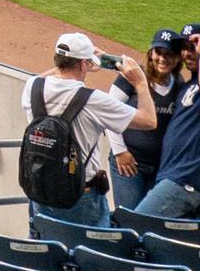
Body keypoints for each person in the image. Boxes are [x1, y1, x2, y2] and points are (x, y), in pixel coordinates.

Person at [25, 33, 156, 227]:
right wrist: (141, 84)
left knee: (47, 248)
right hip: (81, 197)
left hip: (40, 188)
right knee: (94, 253)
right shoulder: (94, 100)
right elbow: (149, 120)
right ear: (84, 64)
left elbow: (40, 78)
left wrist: (70, 61)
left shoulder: (32, 88)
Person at [136, 24, 200, 218]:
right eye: (185, 48)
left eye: (193, 47)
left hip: (186, 180)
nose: (189, 53)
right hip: (170, 176)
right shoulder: (186, 85)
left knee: (134, 225)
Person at [112, 29, 187, 211]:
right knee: (130, 220)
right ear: (151, 53)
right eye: (159, 52)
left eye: (169, 54)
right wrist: (120, 151)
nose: (162, 59)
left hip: (160, 166)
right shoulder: (132, 76)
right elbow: (109, 113)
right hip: (129, 165)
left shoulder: (178, 83)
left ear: (178, 58)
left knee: (149, 221)